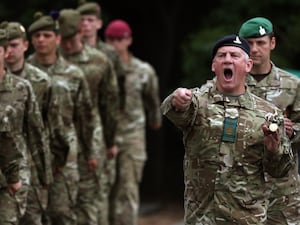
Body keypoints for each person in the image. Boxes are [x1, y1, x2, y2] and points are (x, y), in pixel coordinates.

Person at [160, 34, 294, 224]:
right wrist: (177, 99)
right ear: (214, 66)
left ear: (248, 66)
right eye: (222, 55)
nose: (228, 59)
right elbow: (176, 113)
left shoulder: (269, 113)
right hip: (202, 218)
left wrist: (274, 148)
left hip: (246, 218)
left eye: (234, 55)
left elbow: (279, 170)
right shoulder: (198, 103)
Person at [27, 11, 96, 225]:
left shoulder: (73, 73)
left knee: (62, 212)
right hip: (29, 152)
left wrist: (90, 152)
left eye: (46, 35)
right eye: (36, 36)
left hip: (65, 151)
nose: (41, 40)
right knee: (32, 214)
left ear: (57, 38)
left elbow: (84, 116)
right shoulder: (23, 72)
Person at [58, 8, 119, 225]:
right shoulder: (48, 60)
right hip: (56, 136)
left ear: (80, 33)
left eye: (70, 37)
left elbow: (110, 103)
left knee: (90, 196)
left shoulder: (99, 61)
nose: (66, 43)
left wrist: (110, 141)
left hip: (91, 135)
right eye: (62, 38)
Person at [238, 17, 300, 224]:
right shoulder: (230, 83)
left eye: (261, 42)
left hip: (281, 188)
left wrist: (291, 132)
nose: (254, 49)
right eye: (249, 43)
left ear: (272, 43)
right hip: (239, 185)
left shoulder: (292, 85)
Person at [104, 19, 162, 225]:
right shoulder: (100, 68)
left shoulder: (142, 70)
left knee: (128, 188)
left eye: (120, 39)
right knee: (103, 190)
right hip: (103, 136)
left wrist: (155, 120)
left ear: (129, 40)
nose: (115, 43)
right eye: (110, 39)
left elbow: (152, 100)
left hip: (132, 134)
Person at [2, 20, 54, 225]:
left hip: (23, 166)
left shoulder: (31, 84)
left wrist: (45, 175)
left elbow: (40, 130)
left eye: (15, 45)